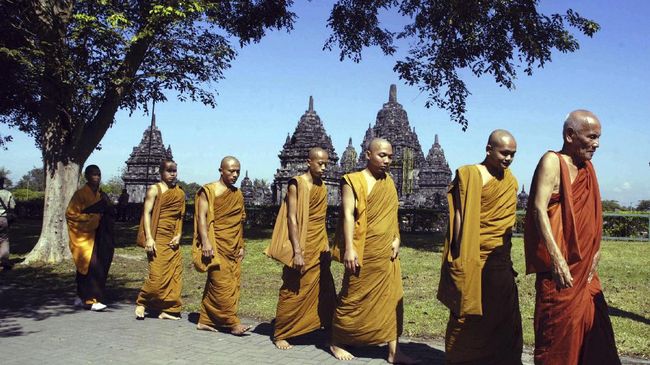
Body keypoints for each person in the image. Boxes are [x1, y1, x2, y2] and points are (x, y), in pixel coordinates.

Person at [524, 110, 620, 364]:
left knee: (595, 334)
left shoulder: (588, 168)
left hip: (585, 271)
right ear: (570, 135)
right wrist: (556, 259)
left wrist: (595, 255)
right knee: (556, 336)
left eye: (598, 138)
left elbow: (594, 219)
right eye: (591, 137)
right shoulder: (552, 161)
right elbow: (537, 208)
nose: (596, 144)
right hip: (560, 271)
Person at [437, 130, 523, 364]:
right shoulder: (469, 175)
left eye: (513, 154)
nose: (508, 159)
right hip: (473, 258)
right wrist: (459, 257)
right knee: (466, 315)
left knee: (504, 316)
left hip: (500, 262)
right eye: (504, 153)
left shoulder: (510, 180)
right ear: (488, 149)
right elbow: (458, 219)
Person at [329, 138, 416, 364]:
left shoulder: (389, 183)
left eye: (389, 156)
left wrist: (398, 238)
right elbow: (348, 214)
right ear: (368, 154)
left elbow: (392, 214)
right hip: (363, 249)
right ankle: (337, 341)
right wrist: (349, 248)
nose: (387, 160)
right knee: (352, 296)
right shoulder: (353, 180)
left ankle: (393, 351)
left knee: (392, 298)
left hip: (386, 252)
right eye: (382, 155)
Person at [266, 147, 336, 349]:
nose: (323, 168)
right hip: (301, 243)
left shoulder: (321, 186)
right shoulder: (297, 184)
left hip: (318, 244)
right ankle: (282, 332)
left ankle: (322, 326)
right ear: (308, 162)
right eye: (319, 163)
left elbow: (321, 219)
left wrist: (325, 245)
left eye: (326, 164)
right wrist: (297, 251)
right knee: (293, 287)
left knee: (325, 288)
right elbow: (292, 219)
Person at [193, 156, 250, 335]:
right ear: (221, 170)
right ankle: (231, 323)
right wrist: (206, 242)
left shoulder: (237, 193)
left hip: (233, 244)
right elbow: (201, 218)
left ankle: (205, 320)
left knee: (229, 283)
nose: (235, 175)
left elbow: (239, 220)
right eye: (231, 171)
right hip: (216, 244)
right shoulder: (208, 191)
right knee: (222, 283)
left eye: (237, 171)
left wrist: (241, 244)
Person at [135, 159, 186, 320]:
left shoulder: (180, 192)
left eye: (174, 171)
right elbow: (146, 214)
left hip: (172, 240)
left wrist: (179, 235)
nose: (172, 174)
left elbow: (180, 217)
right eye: (168, 171)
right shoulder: (154, 190)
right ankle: (142, 302)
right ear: (161, 172)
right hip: (157, 238)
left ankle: (168, 309)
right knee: (156, 277)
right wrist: (149, 238)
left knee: (173, 275)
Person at [66, 165, 115, 311]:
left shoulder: (101, 195)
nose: (97, 177)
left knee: (95, 266)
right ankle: (90, 300)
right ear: (86, 176)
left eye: (99, 174)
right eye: (93, 174)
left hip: (99, 235)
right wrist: (91, 218)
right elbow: (70, 214)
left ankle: (82, 297)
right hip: (84, 235)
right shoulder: (80, 194)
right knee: (88, 266)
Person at [0, 177, 16, 270]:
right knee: (4, 240)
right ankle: (5, 261)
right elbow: (12, 206)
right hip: (3, 219)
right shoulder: (8, 193)